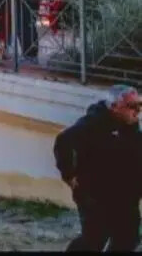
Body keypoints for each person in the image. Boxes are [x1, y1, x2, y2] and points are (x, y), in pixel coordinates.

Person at [54, 85, 142, 252]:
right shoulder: (93, 123)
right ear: (114, 107)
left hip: (126, 194)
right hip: (94, 193)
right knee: (94, 238)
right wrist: (69, 175)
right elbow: (64, 141)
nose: (137, 111)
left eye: (140, 106)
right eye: (132, 106)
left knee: (128, 238)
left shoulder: (131, 127)